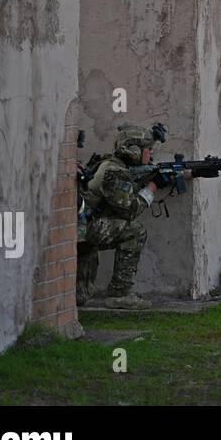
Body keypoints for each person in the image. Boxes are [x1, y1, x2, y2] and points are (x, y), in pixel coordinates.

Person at [76, 125, 160, 310]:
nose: (151, 153)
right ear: (134, 151)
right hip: (85, 229)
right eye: (148, 149)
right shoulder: (115, 171)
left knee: (79, 297)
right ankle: (119, 294)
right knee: (134, 231)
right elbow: (129, 210)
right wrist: (150, 191)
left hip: (83, 228)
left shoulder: (112, 164)